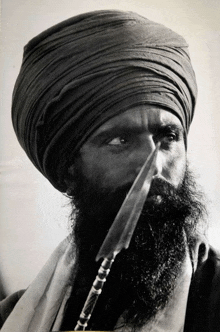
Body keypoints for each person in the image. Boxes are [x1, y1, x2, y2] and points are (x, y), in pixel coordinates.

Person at [0, 9, 220, 332]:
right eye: (119, 140)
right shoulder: (15, 317)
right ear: (68, 171)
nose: (154, 165)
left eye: (167, 137)